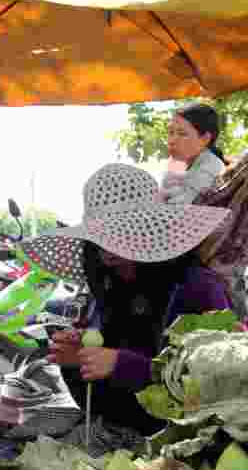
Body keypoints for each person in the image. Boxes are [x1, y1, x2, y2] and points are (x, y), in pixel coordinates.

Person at [19, 163, 231, 440]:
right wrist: (78, 361)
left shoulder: (198, 288)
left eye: (119, 233)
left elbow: (219, 387)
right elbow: (100, 404)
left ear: (151, 231)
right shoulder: (109, 290)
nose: (108, 249)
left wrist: (125, 365)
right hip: (123, 443)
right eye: (99, 237)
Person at [158, 103, 227, 205]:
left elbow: (177, 208)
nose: (171, 140)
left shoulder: (211, 167)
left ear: (205, 138)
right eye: (170, 132)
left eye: (182, 134)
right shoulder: (180, 164)